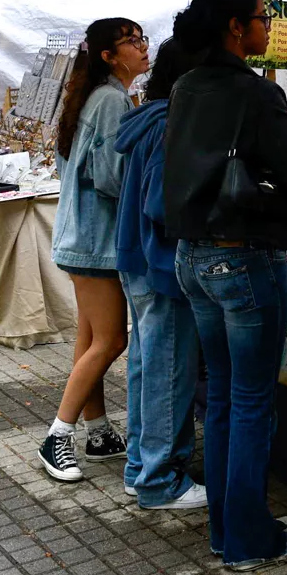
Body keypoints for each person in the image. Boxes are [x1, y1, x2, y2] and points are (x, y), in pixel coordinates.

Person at [164, 0, 287, 570]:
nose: (267, 26)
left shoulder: (184, 88)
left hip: (194, 259)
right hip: (243, 260)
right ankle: (248, 541)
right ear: (236, 28)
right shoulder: (255, 94)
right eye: (262, 18)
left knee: (229, 399)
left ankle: (229, 527)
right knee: (251, 401)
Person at [40, 18, 151, 483]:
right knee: (112, 340)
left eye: (142, 38)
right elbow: (111, 177)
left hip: (81, 236)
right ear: (109, 55)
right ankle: (56, 437)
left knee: (89, 340)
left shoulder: (95, 96)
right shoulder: (111, 100)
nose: (143, 47)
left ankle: (97, 429)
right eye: (132, 42)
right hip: (95, 241)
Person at [114, 37, 205, 509]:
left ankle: (139, 468)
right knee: (167, 370)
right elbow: (161, 204)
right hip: (161, 263)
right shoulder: (172, 125)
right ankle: (159, 480)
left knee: (148, 365)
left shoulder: (147, 118)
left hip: (136, 259)